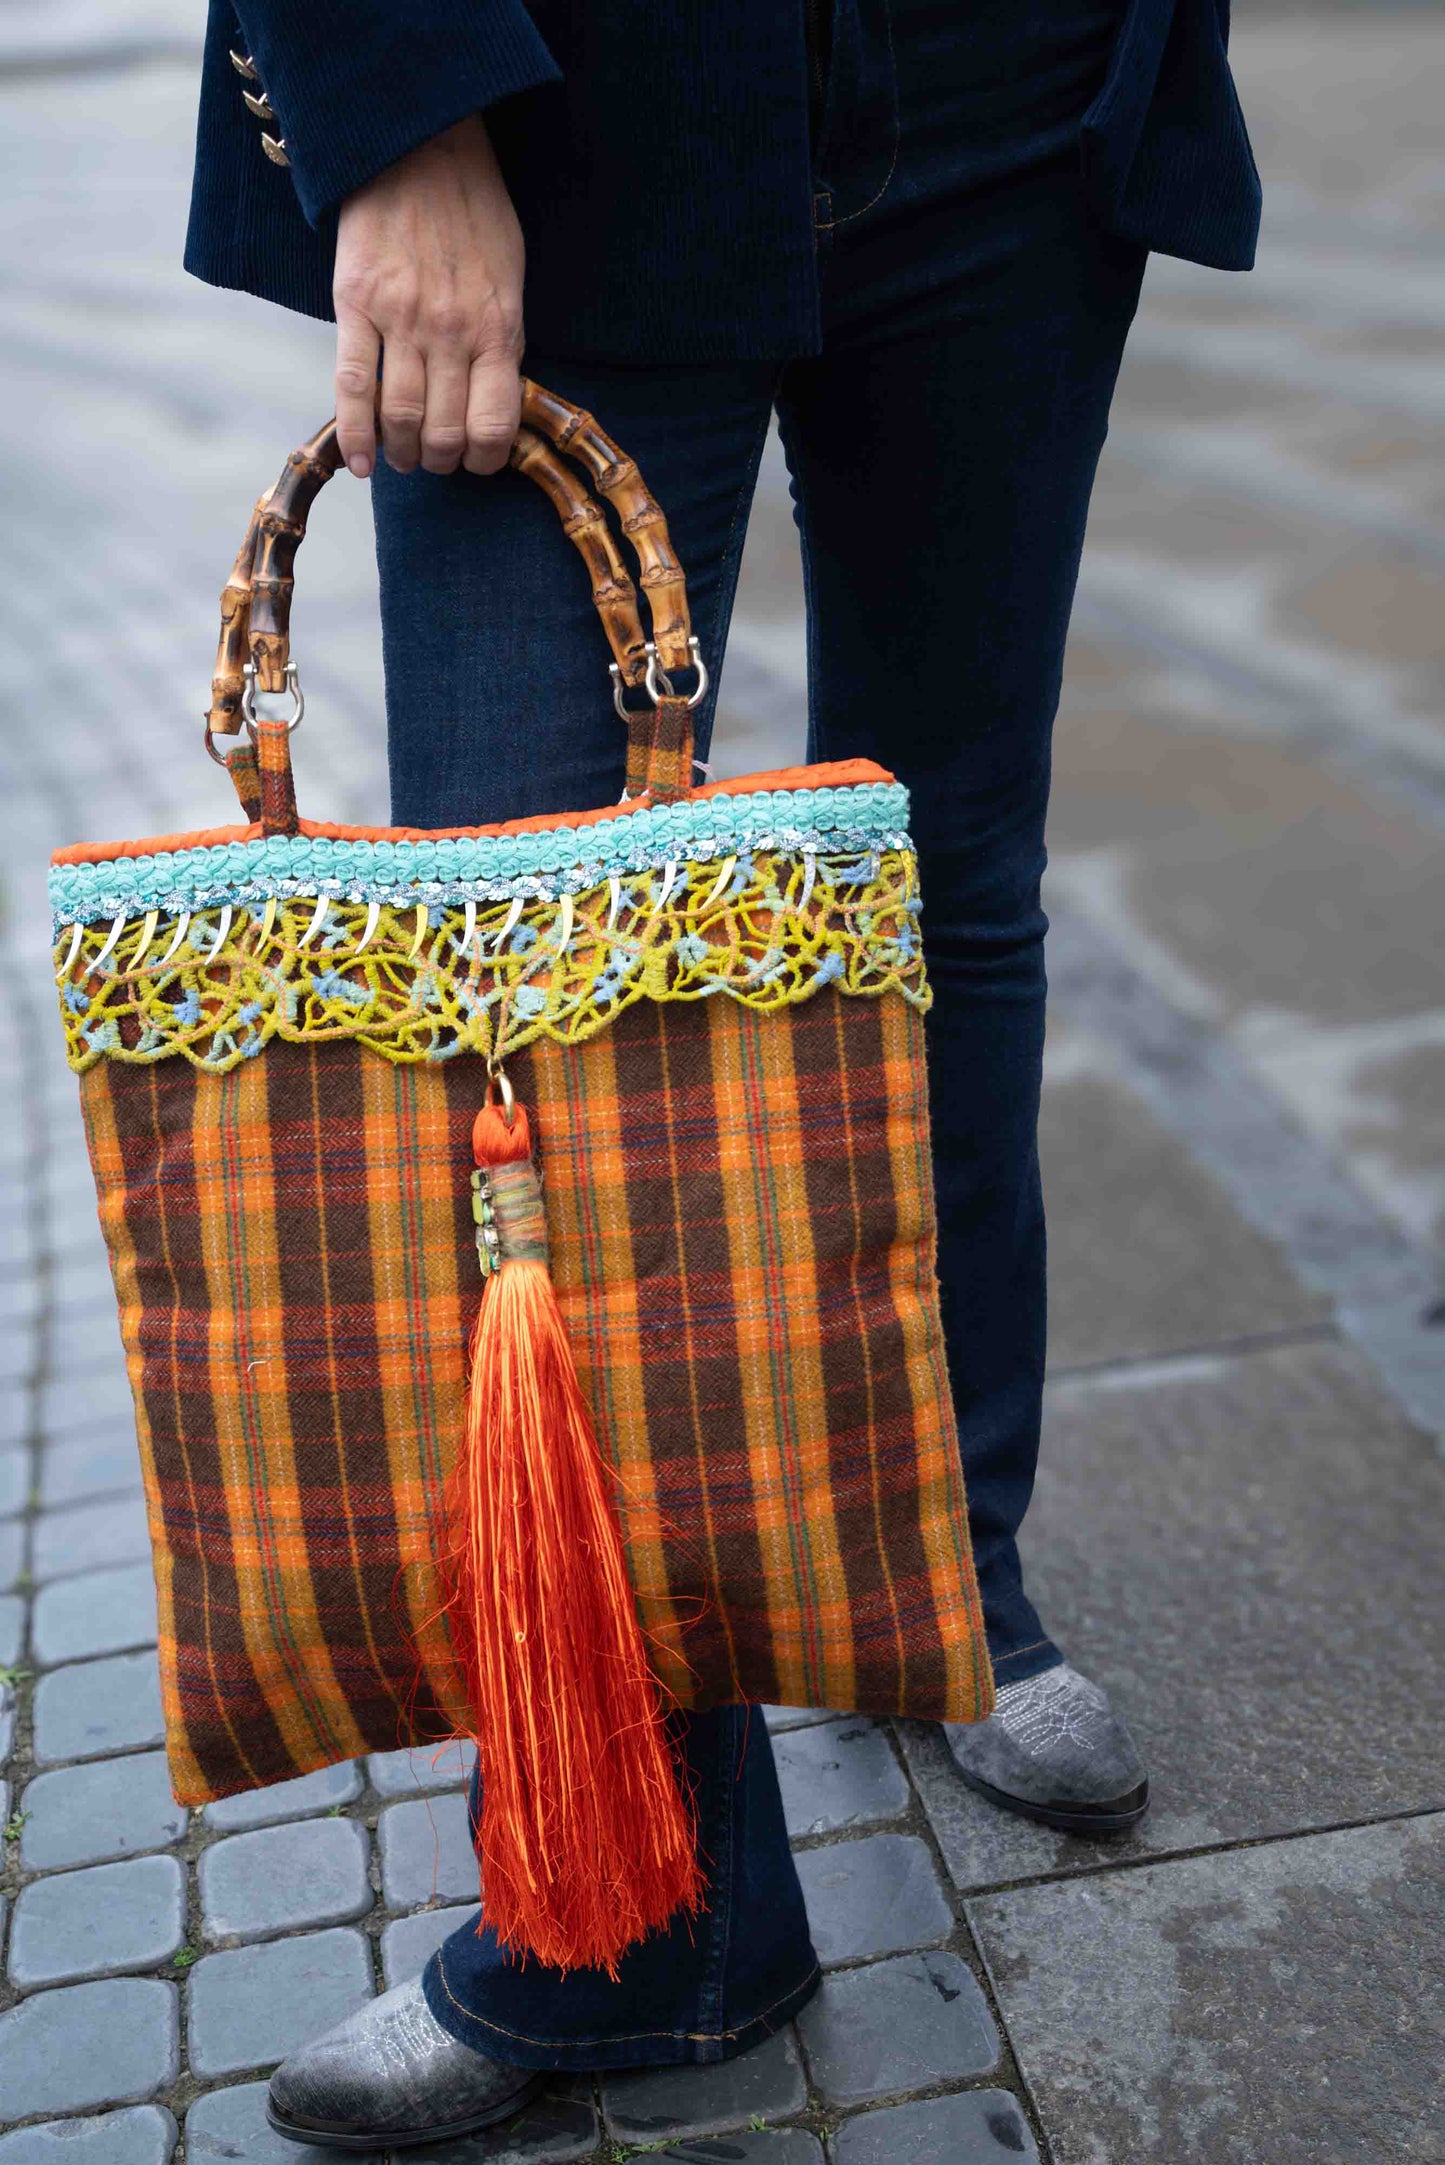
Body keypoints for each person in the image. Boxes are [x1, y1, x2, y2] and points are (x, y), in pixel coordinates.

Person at [186, 0, 1260, 2148]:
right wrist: (399, 118)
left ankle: (934, 1575)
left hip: (1013, 102)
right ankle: (652, 1910)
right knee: (532, 969)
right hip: (573, 110)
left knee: (950, 889)